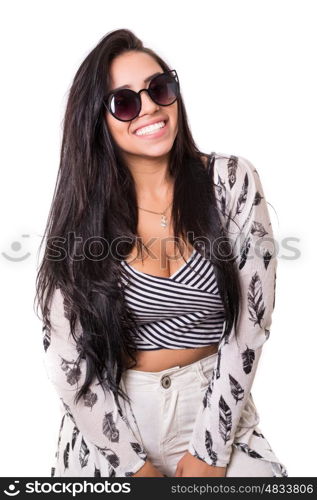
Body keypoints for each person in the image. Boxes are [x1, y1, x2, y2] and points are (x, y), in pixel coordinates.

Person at [36, 28, 288, 477]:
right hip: (113, 423)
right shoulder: (82, 218)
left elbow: (253, 320)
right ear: (98, 120)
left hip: (215, 412)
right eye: (125, 102)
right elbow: (67, 362)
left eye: (159, 89)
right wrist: (134, 467)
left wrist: (210, 447)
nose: (150, 106)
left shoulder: (230, 182)